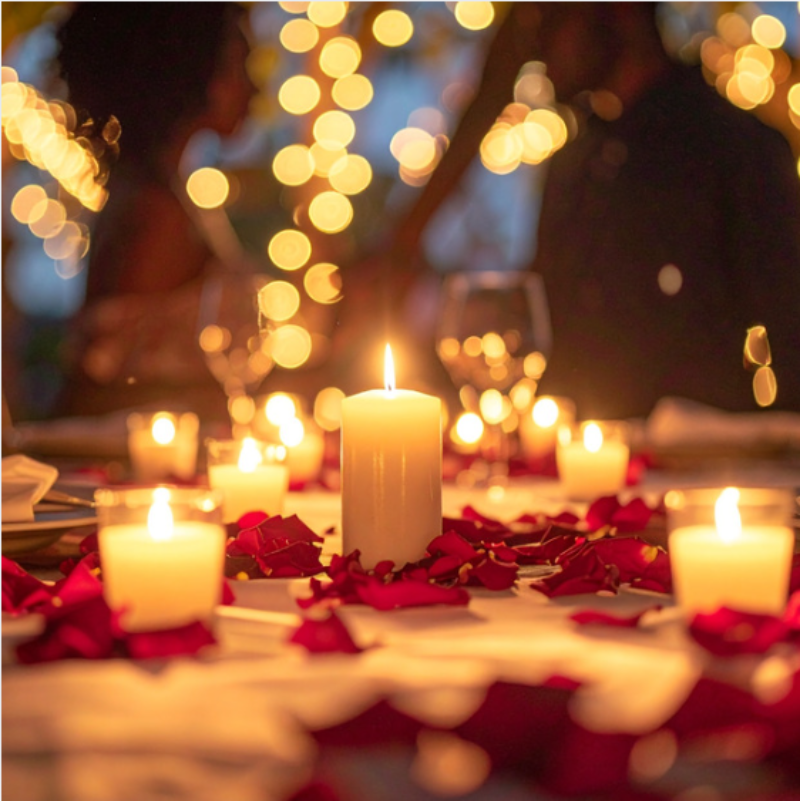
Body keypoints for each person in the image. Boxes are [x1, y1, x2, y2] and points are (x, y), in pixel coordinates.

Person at [363, 3, 800, 420]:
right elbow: (547, 317)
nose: (537, 50)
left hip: (703, 472)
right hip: (576, 467)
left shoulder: (732, 148)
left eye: (552, 21)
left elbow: (789, 326)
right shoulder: (576, 162)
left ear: (620, 11)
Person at [54, 2, 257, 419]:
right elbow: (112, 391)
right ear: (191, 70)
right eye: (239, 64)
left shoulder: (154, 192)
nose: (254, 88)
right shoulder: (156, 214)